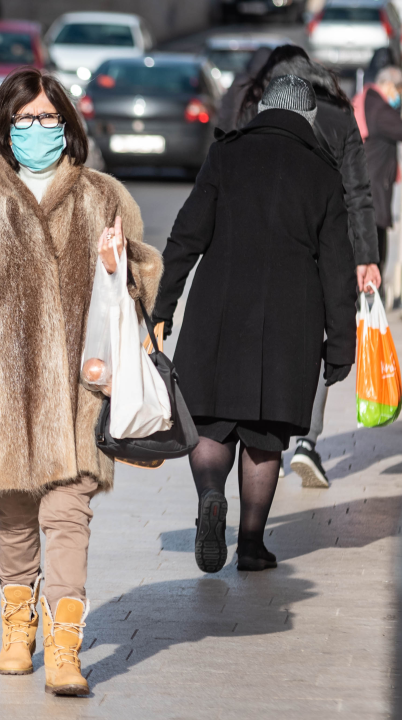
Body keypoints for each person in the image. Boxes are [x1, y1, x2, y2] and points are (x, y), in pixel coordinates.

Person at [0, 67, 162, 696]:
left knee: (68, 514)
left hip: (83, 394)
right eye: (24, 120)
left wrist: (124, 265)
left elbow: (143, 284)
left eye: (49, 119)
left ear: (69, 125)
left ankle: (64, 647)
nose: (38, 130)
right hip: (4, 399)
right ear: (3, 130)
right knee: (14, 517)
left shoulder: (103, 198)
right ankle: (16, 626)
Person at [152, 75, 357, 573]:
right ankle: (250, 545)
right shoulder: (323, 172)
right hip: (290, 323)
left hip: (217, 311)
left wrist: (162, 308)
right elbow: (337, 267)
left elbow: (186, 235)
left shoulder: (227, 154)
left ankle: (209, 497)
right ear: (309, 118)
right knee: (264, 436)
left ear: (261, 109)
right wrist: (340, 345)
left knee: (212, 424)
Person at [236, 46, 381, 489]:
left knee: (269, 338)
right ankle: (306, 441)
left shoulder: (262, 112)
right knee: (322, 344)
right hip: (330, 247)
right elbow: (358, 192)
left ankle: (270, 429)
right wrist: (366, 258)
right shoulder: (340, 117)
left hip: (269, 245)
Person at [363, 65, 402, 280]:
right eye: (398, 92)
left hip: (370, 183)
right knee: (376, 247)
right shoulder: (380, 111)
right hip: (375, 187)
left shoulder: (367, 99)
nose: (399, 98)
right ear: (387, 85)